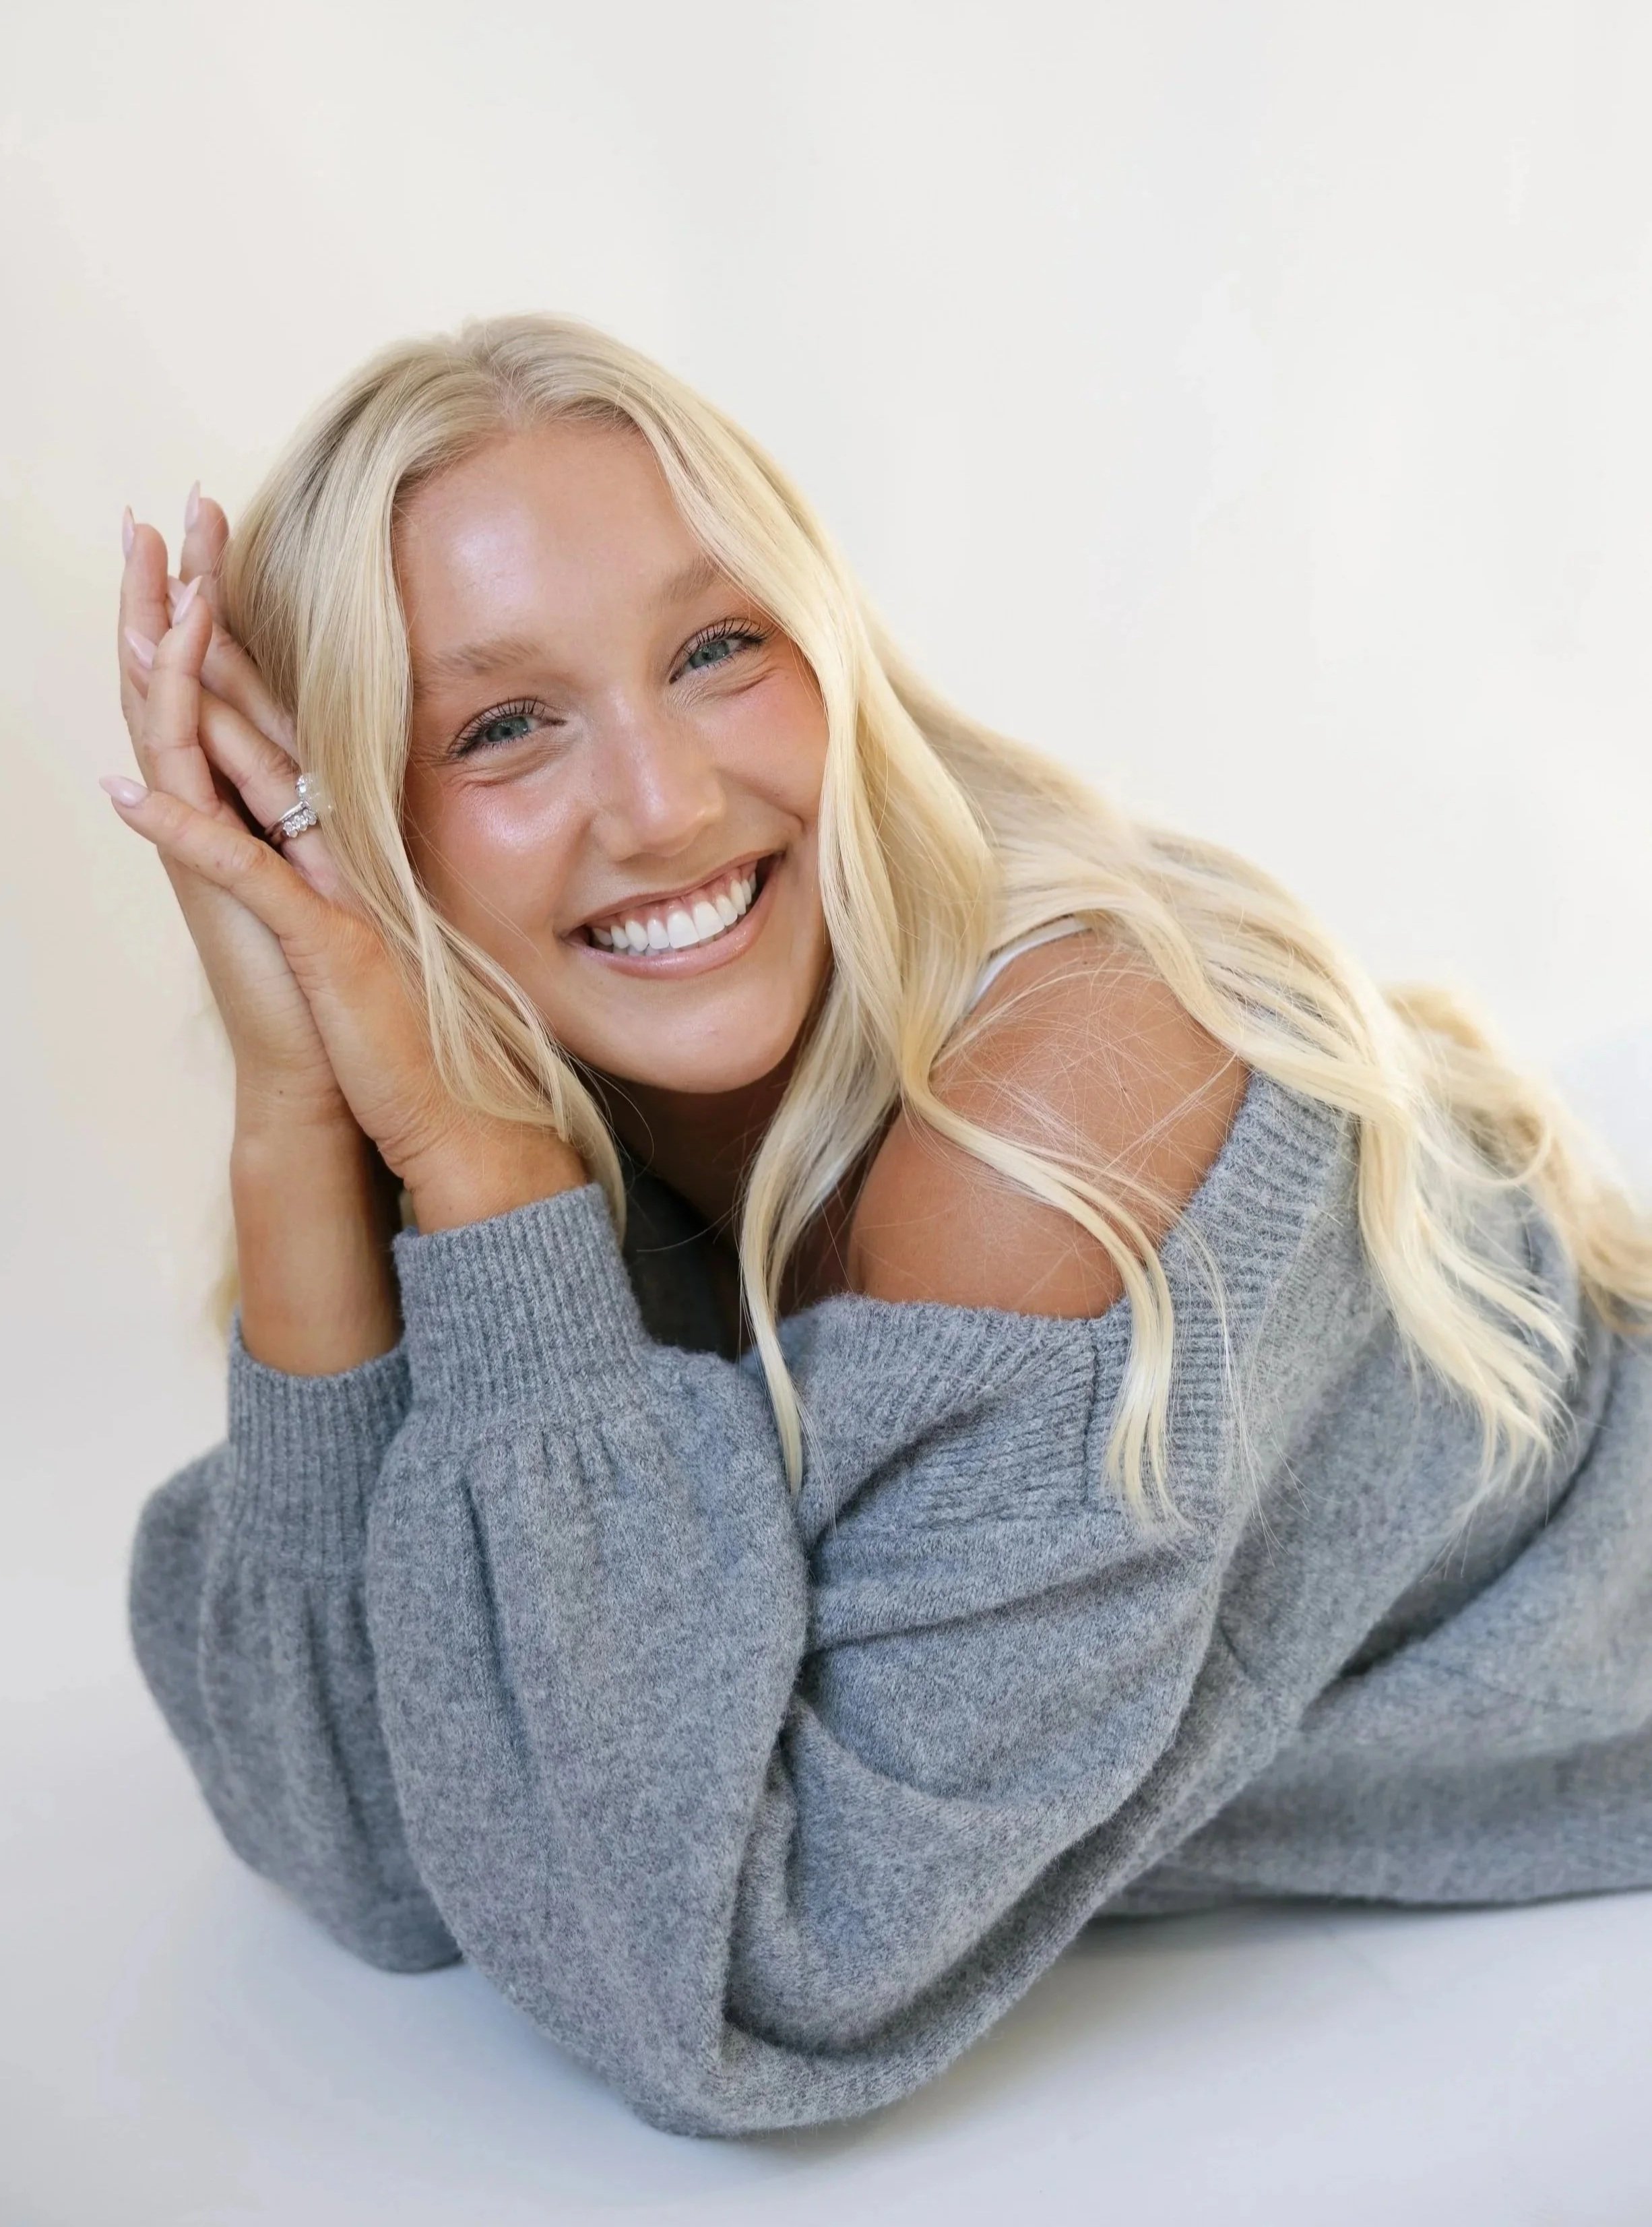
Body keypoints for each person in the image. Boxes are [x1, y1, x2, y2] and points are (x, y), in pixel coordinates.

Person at [110, 315, 1652, 2139]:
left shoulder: (1051, 1110)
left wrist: (473, 1166)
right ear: (349, 837)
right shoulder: (541, 1102)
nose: (666, 802)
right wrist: (297, 1117)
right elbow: (365, 1832)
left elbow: (739, 1989)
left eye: (715, 649)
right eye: (504, 725)